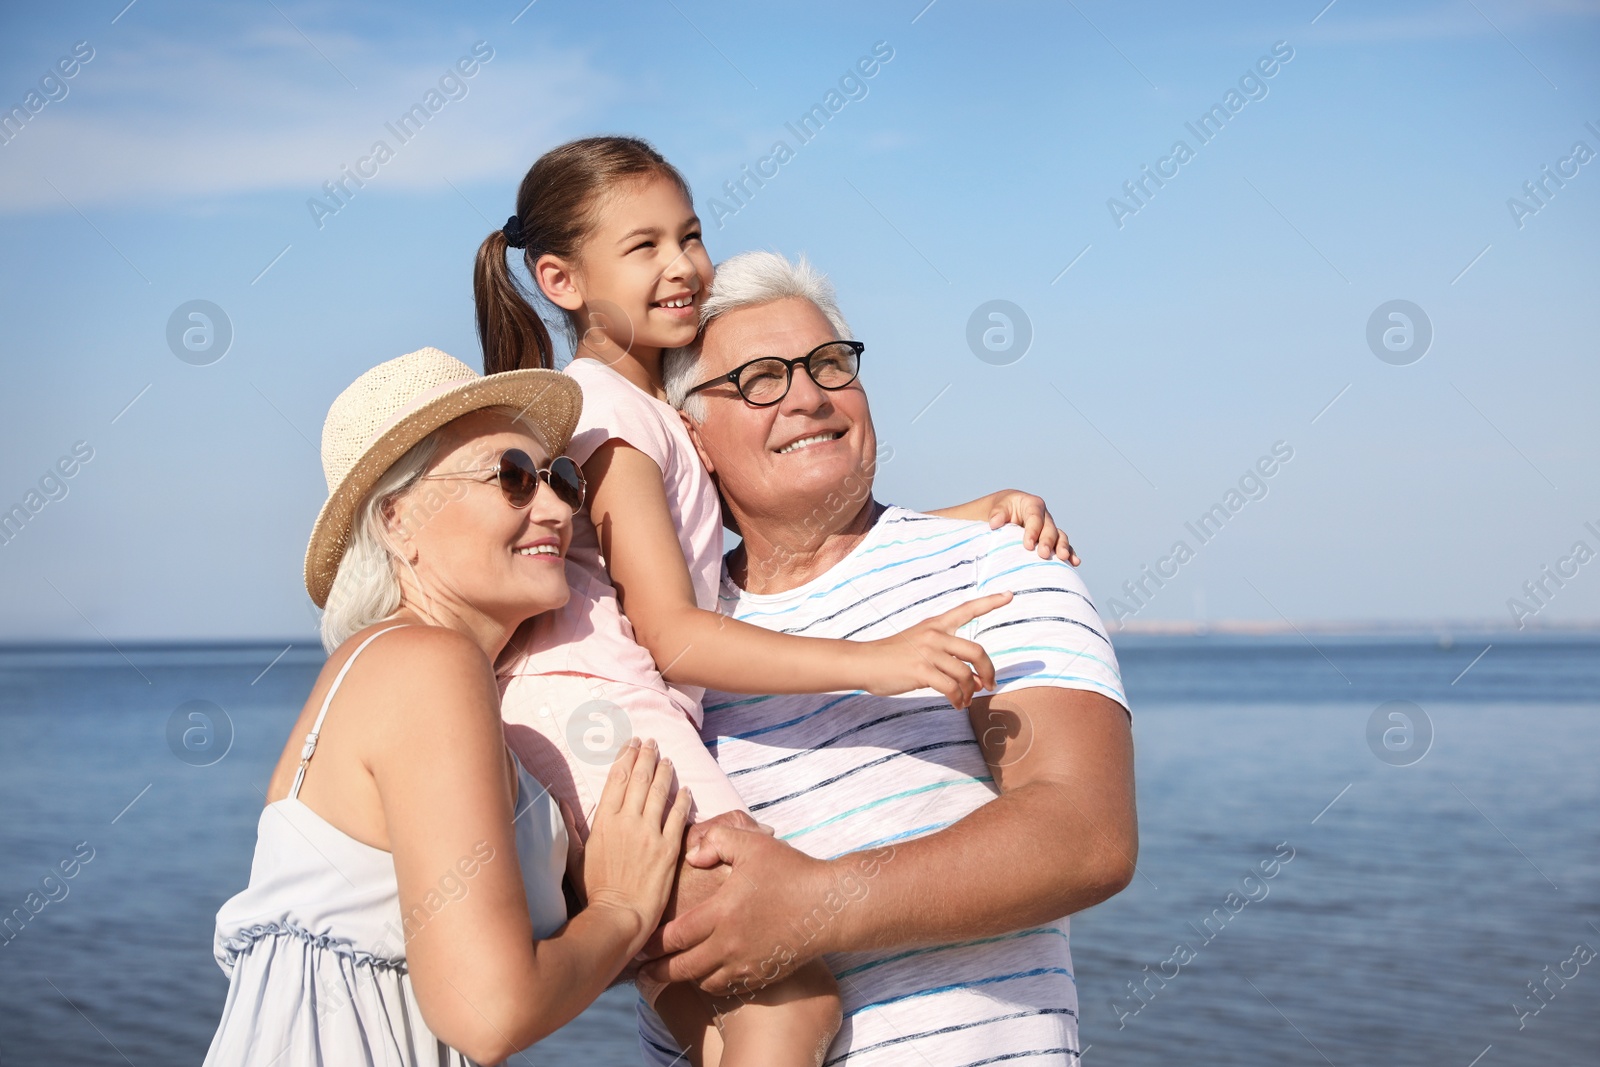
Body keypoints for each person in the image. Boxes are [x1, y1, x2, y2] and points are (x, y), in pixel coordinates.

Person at [473, 135, 1077, 1065]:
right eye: (643, 248)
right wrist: (874, 665)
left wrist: (970, 515)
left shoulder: (641, 412)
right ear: (559, 279)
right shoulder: (613, 422)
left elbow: (766, 512)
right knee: (788, 1005)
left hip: (586, 710)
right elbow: (674, 632)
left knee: (716, 1013)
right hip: (607, 712)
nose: (682, 266)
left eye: (690, 234)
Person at [634, 251, 1138, 1064]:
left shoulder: (995, 562)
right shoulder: (662, 642)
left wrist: (816, 902)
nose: (808, 395)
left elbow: (1086, 834)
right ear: (691, 433)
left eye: (830, 364)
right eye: (762, 377)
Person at [205, 347, 690, 1066]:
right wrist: (621, 911)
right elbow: (486, 1010)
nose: (557, 508)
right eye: (513, 479)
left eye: (559, 478)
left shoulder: (395, 669)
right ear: (398, 519)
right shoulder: (429, 665)